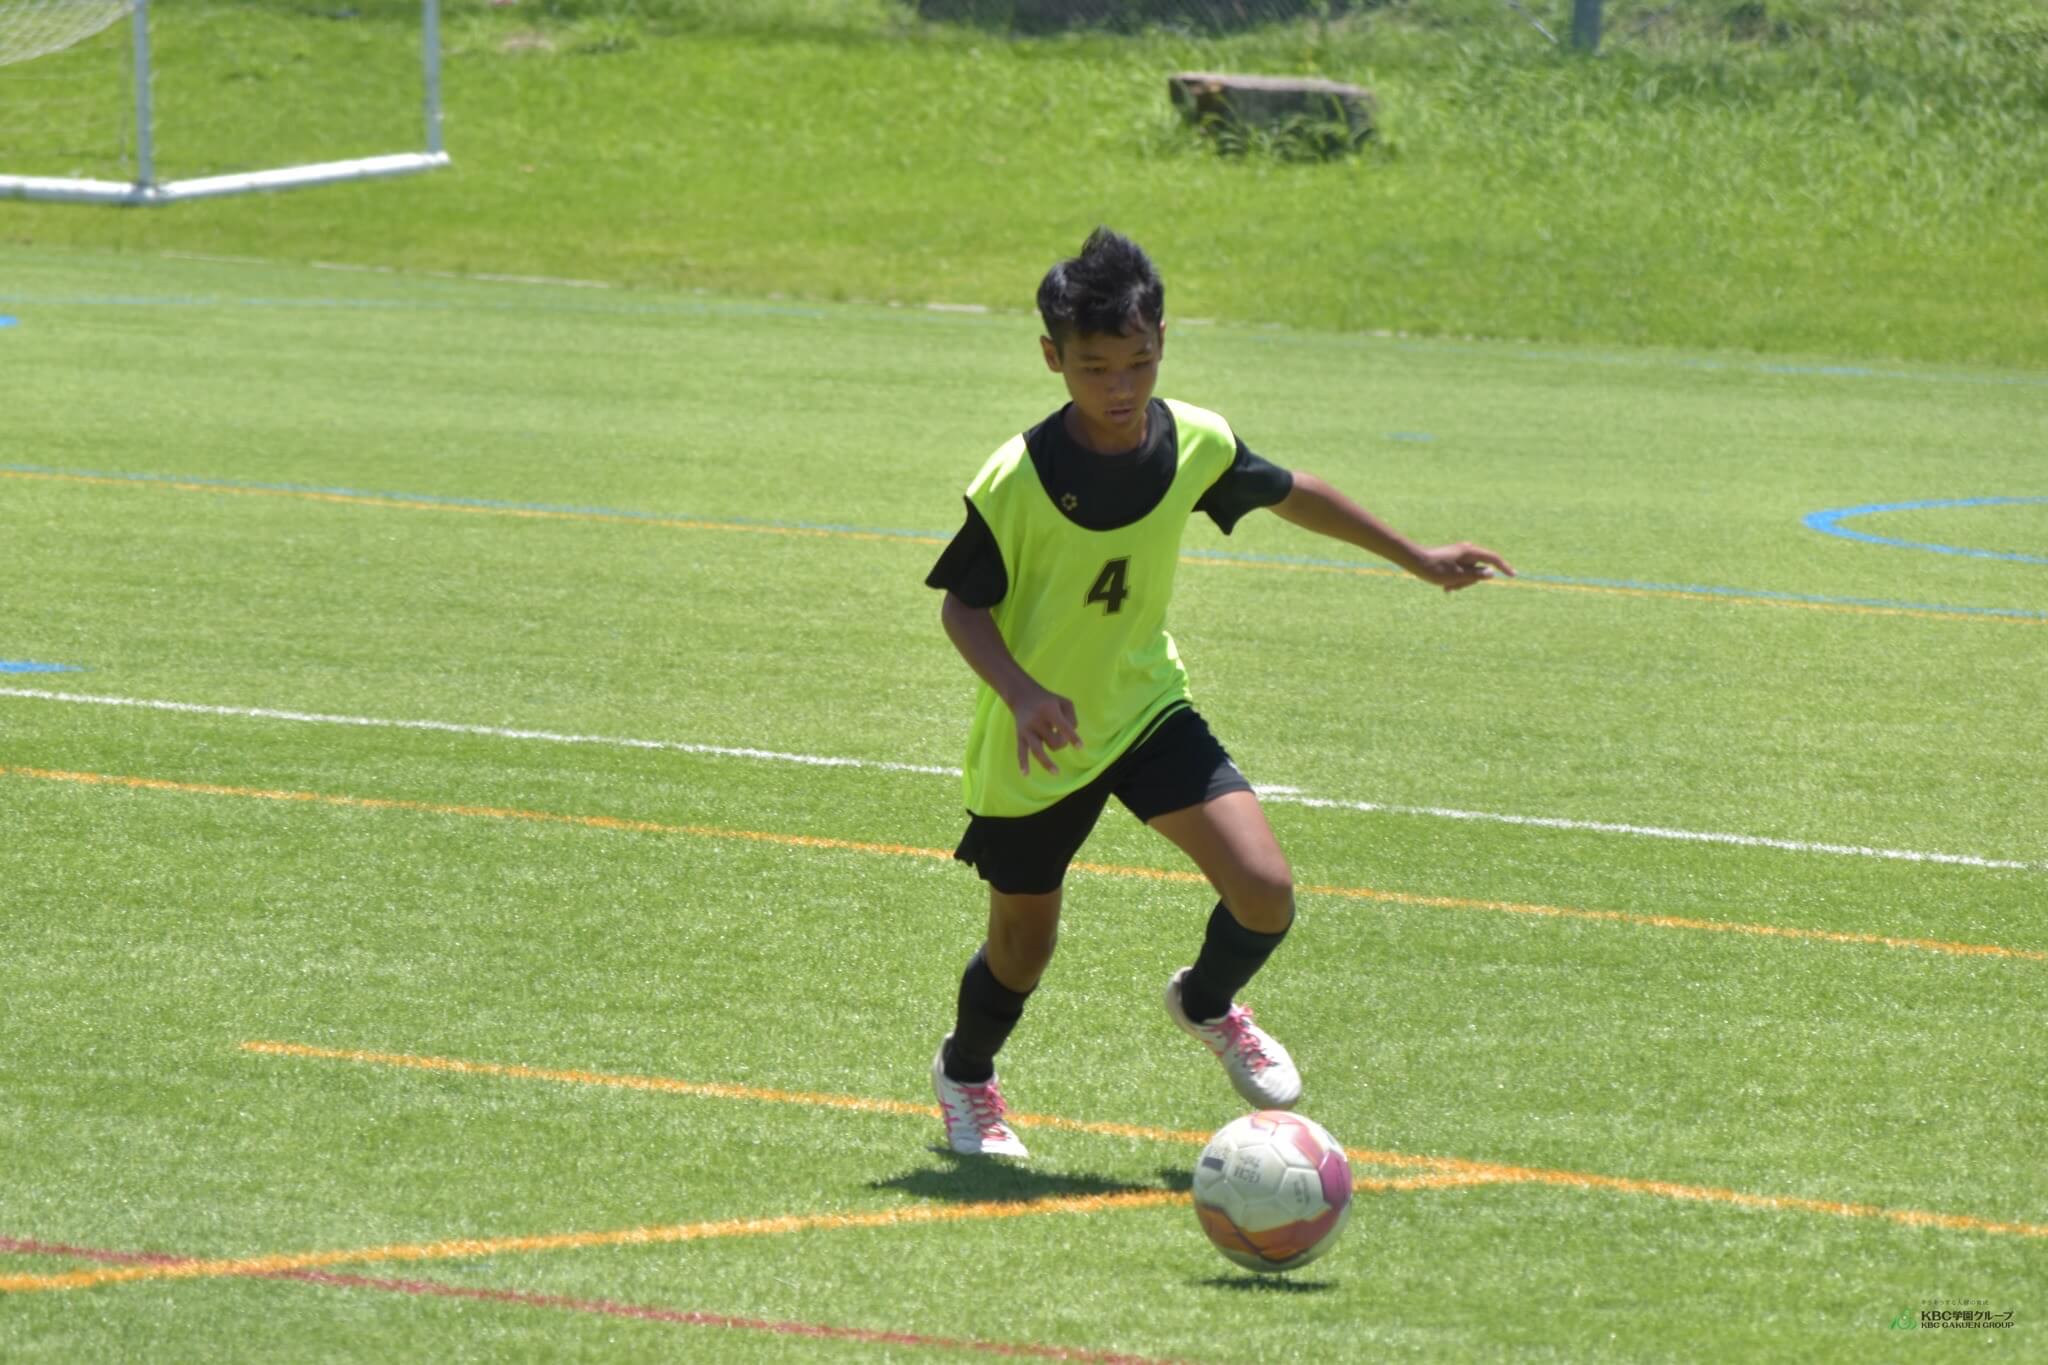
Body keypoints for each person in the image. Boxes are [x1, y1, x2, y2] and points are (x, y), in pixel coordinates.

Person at [923, 227, 1513, 1157]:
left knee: (1265, 890)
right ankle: (966, 1075)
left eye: (1138, 362)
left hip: (1144, 706)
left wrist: (1416, 556)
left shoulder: (1191, 439)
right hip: (1040, 741)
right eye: (1094, 367)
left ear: (1163, 340)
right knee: (1022, 948)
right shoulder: (1018, 479)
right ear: (1051, 358)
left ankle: (1206, 1002)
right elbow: (962, 607)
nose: (1120, 387)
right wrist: (1024, 693)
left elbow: (1289, 489)